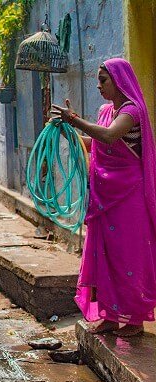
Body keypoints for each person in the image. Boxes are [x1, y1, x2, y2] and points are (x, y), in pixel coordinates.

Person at [51, 58, 156, 337]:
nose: (98, 86)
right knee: (104, 254)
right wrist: (67, 131)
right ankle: (109, 315)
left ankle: (134, 319)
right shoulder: (104, 111)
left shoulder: (132, 111)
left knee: (128, 255)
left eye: (103, 80)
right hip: (103, 195)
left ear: (119, 81)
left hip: (128, 194)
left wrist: (74, 120)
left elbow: (109, 137)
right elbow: (95, 142)